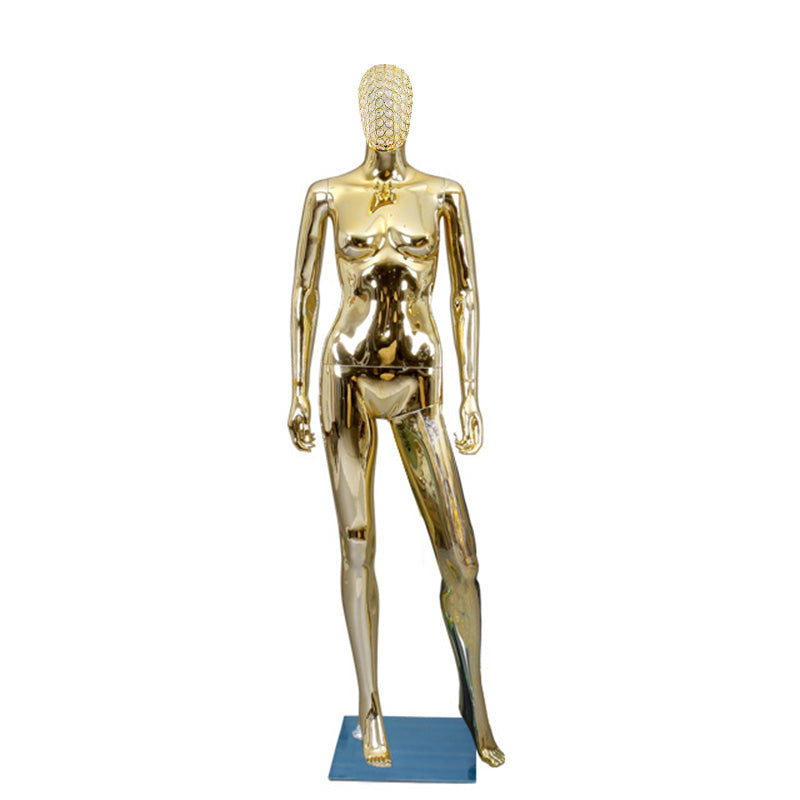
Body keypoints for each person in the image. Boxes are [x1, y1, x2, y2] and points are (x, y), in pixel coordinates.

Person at [287, 64, 504, 769]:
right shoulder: (329, 194)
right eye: (375, 101)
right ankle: (370, 704)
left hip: (419, 382)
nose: (385, 112)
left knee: (460, 554)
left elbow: (467, 293)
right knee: (357, 543)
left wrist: (471, 391)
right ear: (361, 109)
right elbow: (304, 292)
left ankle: (474, 696)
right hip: (346, 375)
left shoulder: (442, 194)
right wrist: (297, 388)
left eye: (395, 101)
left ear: (409, 110)